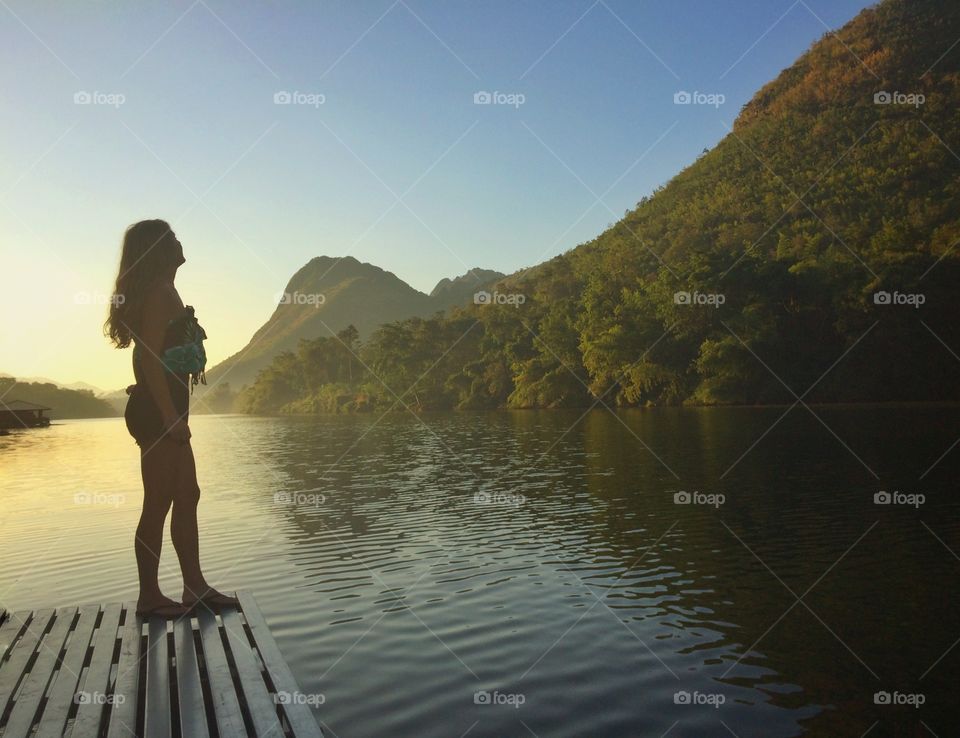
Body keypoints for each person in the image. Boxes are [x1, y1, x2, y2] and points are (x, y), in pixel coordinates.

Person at [105, 219, 237, 618]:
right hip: (160, 415)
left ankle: (195, 587)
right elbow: (148, 354)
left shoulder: (165, 291)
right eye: (172, 237)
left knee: (188, 495)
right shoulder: (161, 294)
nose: (180, 240)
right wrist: (166, 414)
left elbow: (153, 355)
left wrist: (164, 405)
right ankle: (150, 597)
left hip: (165, 411)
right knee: (158, 503)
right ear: (158, 250)